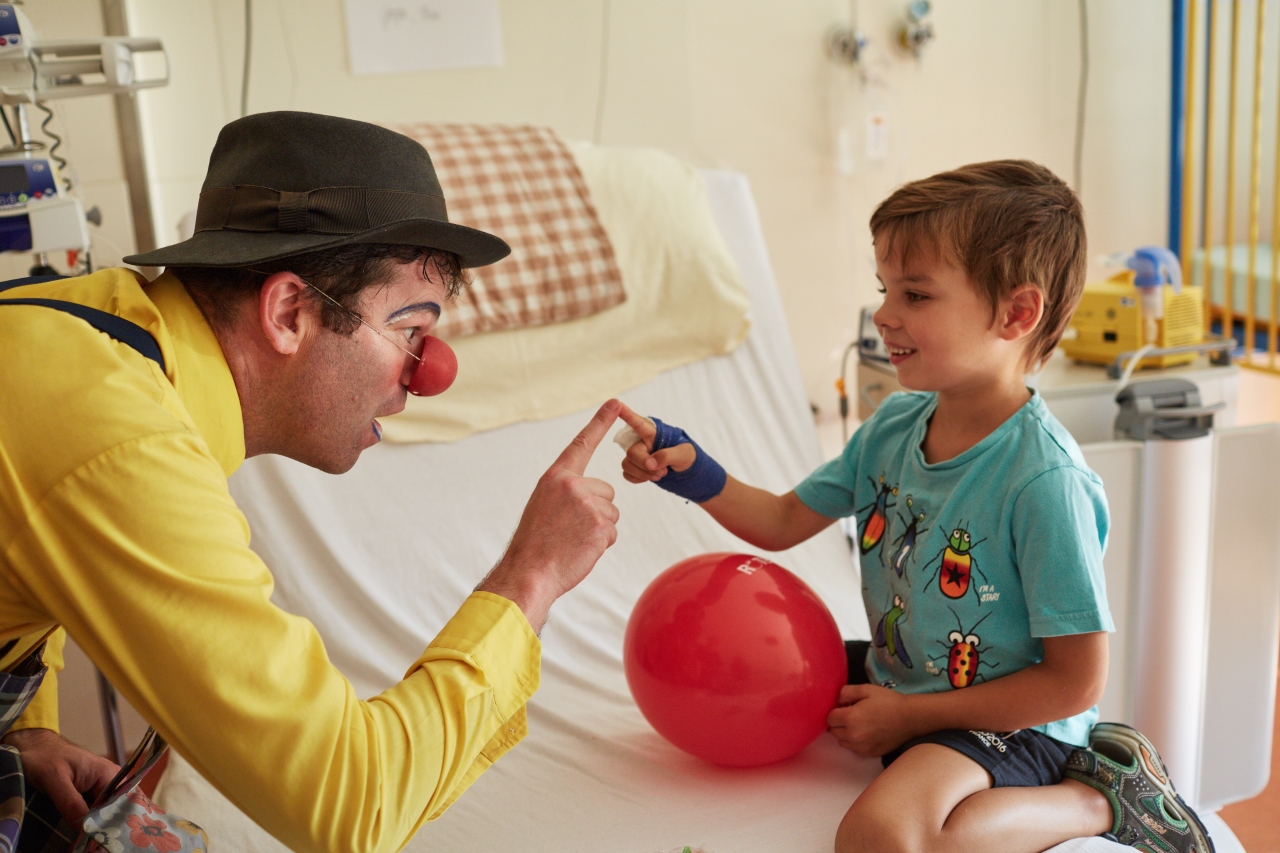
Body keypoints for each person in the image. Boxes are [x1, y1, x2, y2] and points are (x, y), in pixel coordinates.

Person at [0, 112, 622, 853]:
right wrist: (533, 577)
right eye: (410, 330)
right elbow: (356, 802)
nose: (428, 375)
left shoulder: (94, 329)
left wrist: (27, 733)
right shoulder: (118, 435)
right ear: (289, 311)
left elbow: (34, 523)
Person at [616, 161, 1214, 853]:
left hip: (1013, 720)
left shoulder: (1043, 480)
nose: (885, 313)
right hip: (906, 676)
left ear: (1017, 313)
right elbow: (782, 522)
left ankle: (1099, 799)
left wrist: (909, 716)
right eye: (885, 288)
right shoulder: (892, 428)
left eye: (917, 294)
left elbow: (1075, 680)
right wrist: (692, 470)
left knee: (883, 836)